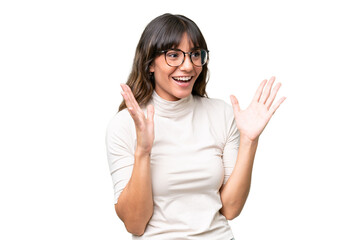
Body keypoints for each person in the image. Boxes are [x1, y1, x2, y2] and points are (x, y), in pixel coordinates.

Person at [105, 13, 286, 240]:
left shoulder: (221, 114)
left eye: (195, 55)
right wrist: (143, 151)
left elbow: (230, 209)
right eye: (173, 55)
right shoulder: (125, 125)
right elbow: (135, 224)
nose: (188, 66)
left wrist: (249, 140)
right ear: (150, 63)